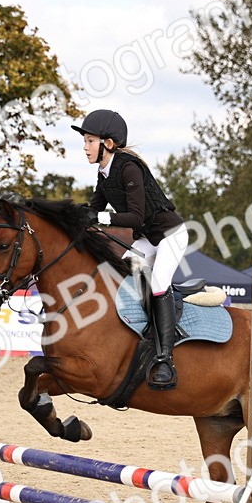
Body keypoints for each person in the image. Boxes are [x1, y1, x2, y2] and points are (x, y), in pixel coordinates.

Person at [73, 109, 187, 390]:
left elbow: (134, 217)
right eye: (85, 141)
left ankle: (164, 358)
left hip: (170, 235)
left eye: (89, 141)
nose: (85, 147)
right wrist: (71, 216)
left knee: (158, 283)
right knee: (120, 277)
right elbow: (94, 209)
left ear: (107, 144)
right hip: (149, 238)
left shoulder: (129, 168)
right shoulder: (104, 173)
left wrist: (96, 218)